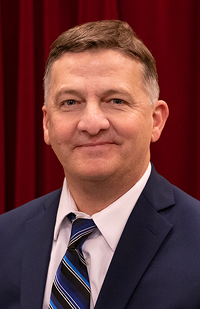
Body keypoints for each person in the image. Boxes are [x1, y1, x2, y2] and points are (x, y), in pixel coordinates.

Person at [1, 20, 200, 309]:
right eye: (70, 102)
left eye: (115, 100)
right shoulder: (4, 239)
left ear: (156, 120)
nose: (92, 123)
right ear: (47, 123)